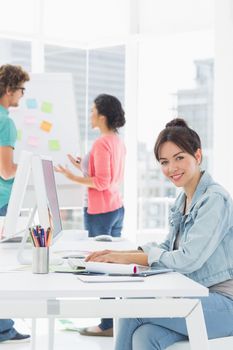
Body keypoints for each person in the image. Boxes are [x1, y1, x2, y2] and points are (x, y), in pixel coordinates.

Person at [85, 118, 233, 349]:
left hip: (224, 305)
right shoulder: (184, 199)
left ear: (198, 156)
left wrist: (125, 258)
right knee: (145, 336)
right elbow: (166, 248)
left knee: (132, 307)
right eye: (164, 162)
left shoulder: (214, 200)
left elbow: (187, 259)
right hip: (196, 296)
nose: (171, 168)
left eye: (179, 158)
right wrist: (120, 254)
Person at [55, 93, 126, 336]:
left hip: (101, 211)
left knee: (102, 266)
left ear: (102, 116)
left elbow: (102, 181)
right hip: (115, 208)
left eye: (93, 110)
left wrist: (72, 177)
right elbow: (102, 172)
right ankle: (115, 320)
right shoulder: (115, 140)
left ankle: (107, 324)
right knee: (115, 264)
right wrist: (79, 164)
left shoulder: (101, 143)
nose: (90, 114)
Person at [0, 64, 30, 343]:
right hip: (2, 202)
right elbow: (7, 170)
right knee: (6, 268)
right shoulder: (5, 121)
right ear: (9, 89)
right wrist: (32, 168)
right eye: (20, 89)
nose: (22, 94)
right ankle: (3, 328)